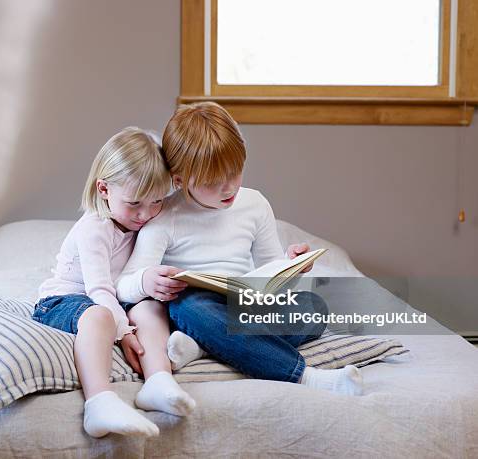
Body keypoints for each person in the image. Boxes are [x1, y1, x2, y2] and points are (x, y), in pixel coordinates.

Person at [115, 103, 363, 396]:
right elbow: (123, 285)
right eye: (212, 182)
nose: (229, 187)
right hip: (197, 307)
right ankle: (303, 376)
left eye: (235, 172)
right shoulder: (164, 217)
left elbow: (271, 274)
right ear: (179, 180)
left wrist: (290, 265)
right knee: (191, 307)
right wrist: (146, 280)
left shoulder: (255, 204)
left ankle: (203, 346)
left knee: (314, 308)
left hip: (245, 305)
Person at [33, 127, 195, 439]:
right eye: (135, 203)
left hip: (114, 300)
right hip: (66, 301)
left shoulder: (148, 219)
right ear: (104, 189)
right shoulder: (95, 228)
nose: (146, 214)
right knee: (100, 315)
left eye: (157, 201)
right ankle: (99, 402)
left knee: (150, 309)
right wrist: (123, 333)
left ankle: (158, 381)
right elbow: (99, 290)